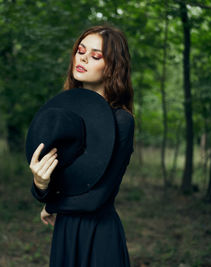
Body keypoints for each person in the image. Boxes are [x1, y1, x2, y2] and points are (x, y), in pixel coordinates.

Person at [28, 25, 135, 267]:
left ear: (113, 67)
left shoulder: (122, 121)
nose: (83, 58)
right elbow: (58, 181)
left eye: (96, 56)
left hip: (98, 236)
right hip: (65, 233)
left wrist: (51, 204)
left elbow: (97, 198)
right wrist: (40, 184)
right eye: (80, 50)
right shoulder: (64, 117)